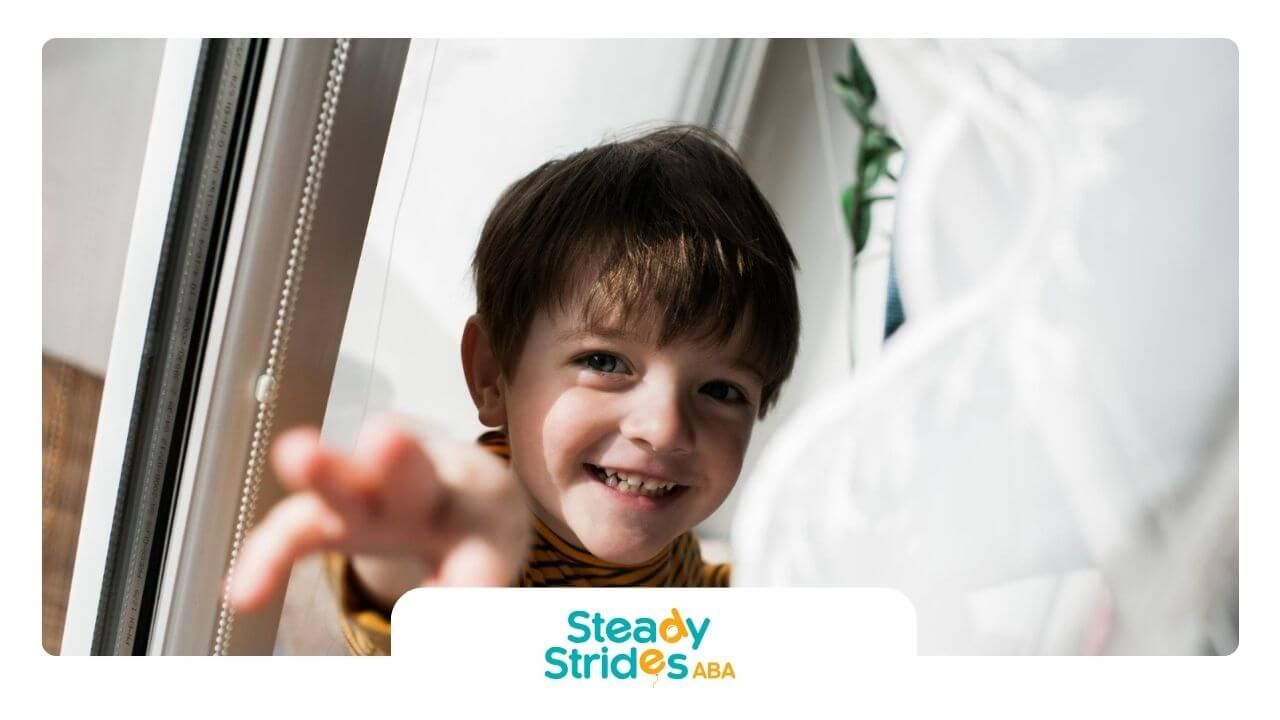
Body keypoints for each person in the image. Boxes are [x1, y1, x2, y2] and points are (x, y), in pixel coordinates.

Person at [228, 124, 801, 654]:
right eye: (605, 361)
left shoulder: (670, 540)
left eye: (722, 391)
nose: (665, 428)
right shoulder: (484, 538)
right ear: (492, 375)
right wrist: (402, 557)